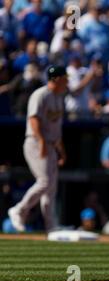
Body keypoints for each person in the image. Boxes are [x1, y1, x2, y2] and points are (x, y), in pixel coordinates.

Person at [7, 65, 68, 233]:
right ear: (56, 79)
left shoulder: (58, 97)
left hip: (50, 144)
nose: (67, 81)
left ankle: (51, 226)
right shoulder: (40, 95)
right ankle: (18, 210)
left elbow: (56, 130)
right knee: (45, 182)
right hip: (35, 142)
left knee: (52, 187)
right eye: (64, 78)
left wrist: (61, 151)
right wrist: (41, 143)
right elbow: (34, 120)